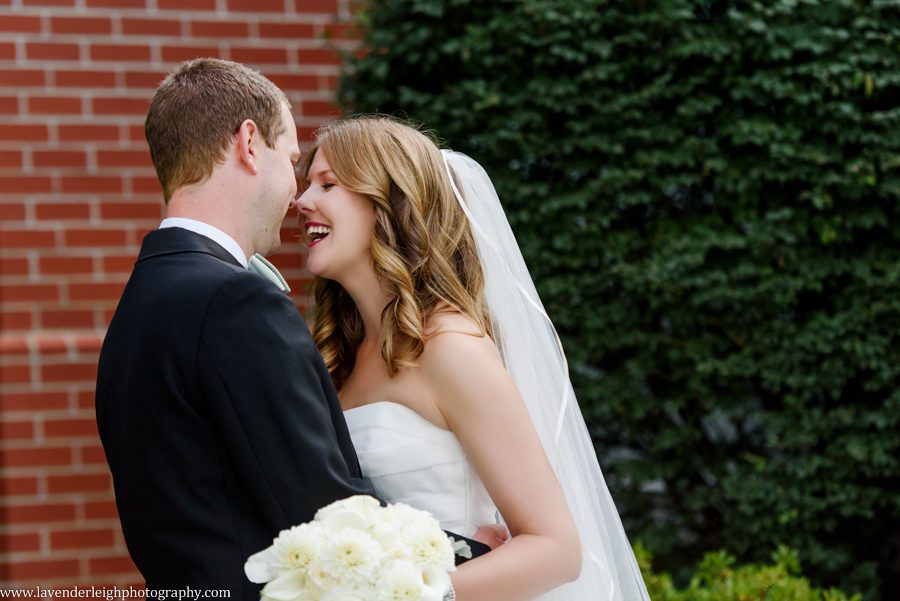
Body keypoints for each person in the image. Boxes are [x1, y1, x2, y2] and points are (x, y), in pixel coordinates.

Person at [95, 60, 492, 600]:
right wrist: (465, 551)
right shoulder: (233, 301)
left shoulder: (139, 303)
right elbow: (322, 509)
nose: (297, 198)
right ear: (248, 144)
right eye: (291, 161)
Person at [295, 116, 652, 600]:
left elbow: (557, 550)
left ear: (388, 203)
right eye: (306, 184)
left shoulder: (448, 347)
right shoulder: (337, 355)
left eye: (328, 184)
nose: (302, 201)